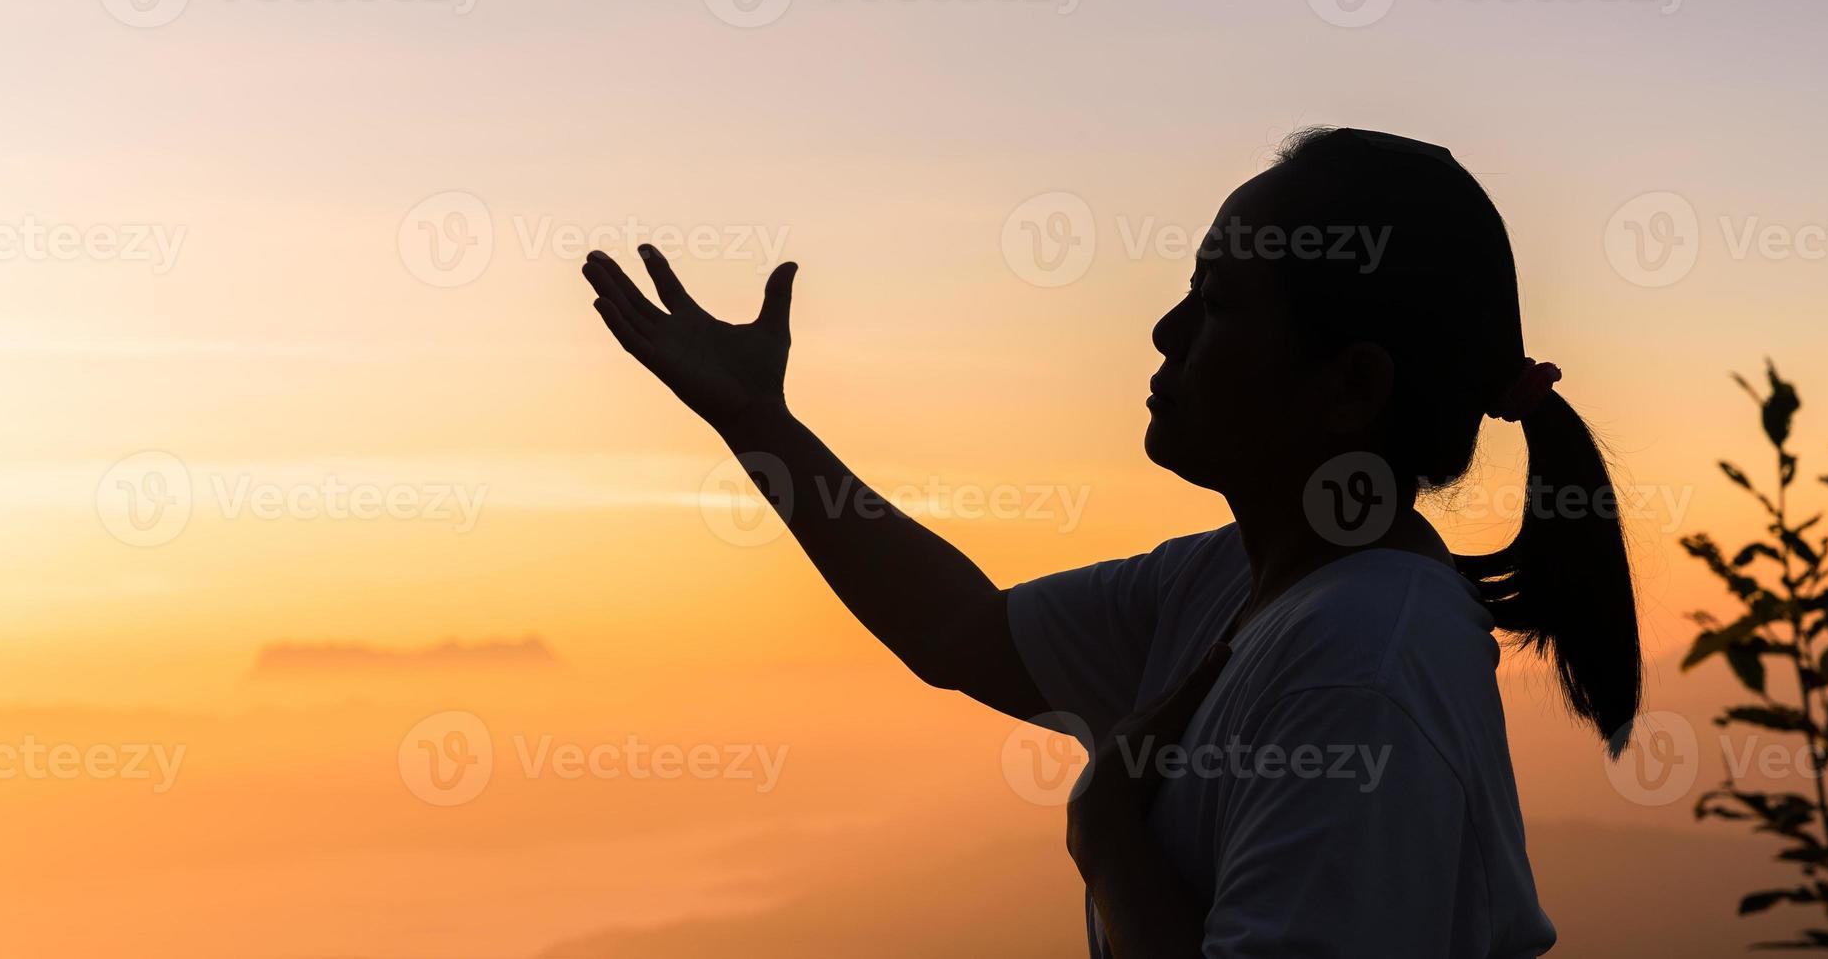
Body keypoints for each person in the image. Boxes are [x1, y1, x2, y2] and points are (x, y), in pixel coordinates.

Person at [578, 126, 1639, 958]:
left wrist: (1113, 846)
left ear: (1350, 384)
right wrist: (757, 422)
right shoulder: (1238, 577)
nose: (1165, 330)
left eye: (1217, 301)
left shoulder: (1360, 666)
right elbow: (960, 631)